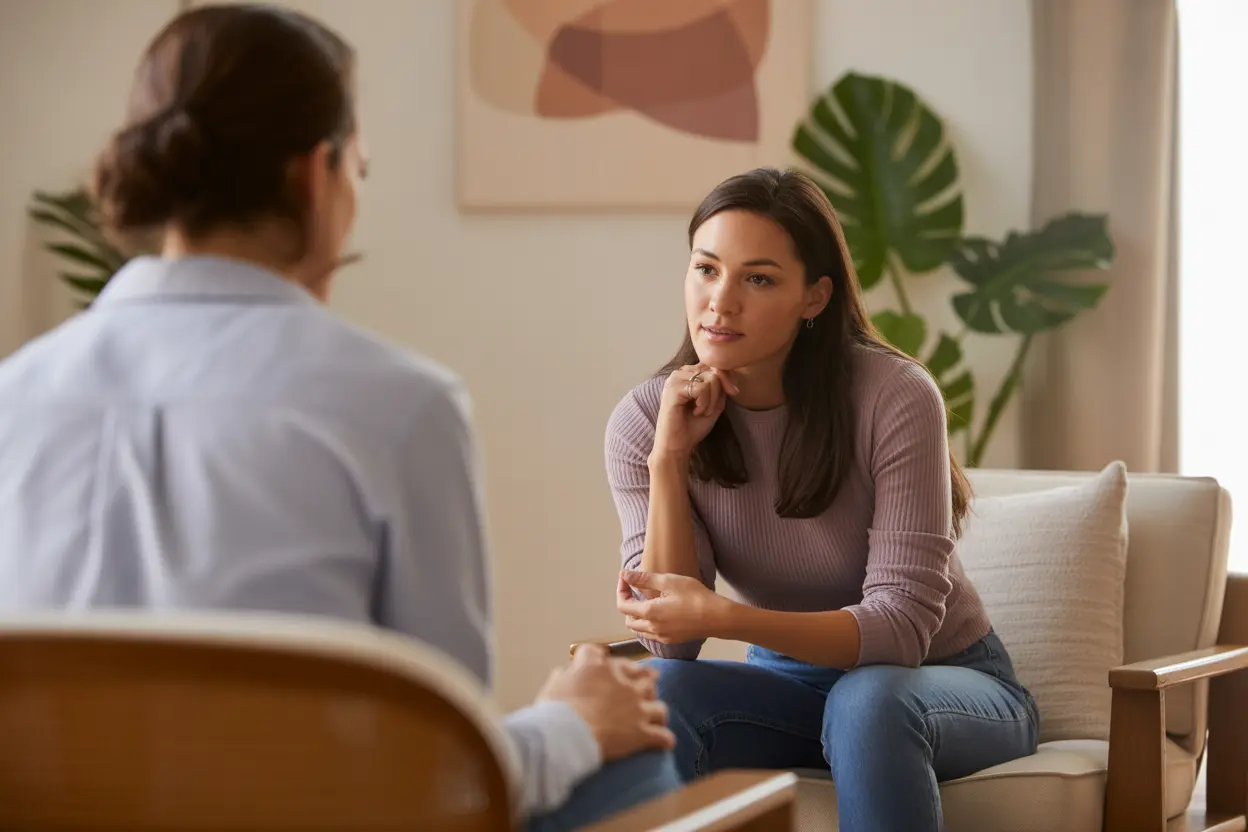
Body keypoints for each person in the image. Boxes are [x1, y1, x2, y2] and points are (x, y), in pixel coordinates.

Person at [0, 5, 678, 830]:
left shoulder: (16, 394)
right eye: (359, 168)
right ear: (314, 175)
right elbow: (446, 773)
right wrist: (574, 720)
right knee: (637, 748)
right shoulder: (401, 406)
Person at [604, 167, 1041, 832]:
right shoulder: (648, 420)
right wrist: (668, 460)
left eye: (758, 279)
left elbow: (900, 630)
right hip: (793, 691)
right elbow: (674, 646)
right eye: (706, 269)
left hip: (941, 685)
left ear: (814, 296)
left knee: (868, 701)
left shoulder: (893, 396)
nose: (720, 302)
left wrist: (727, 616)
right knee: (657, 693)